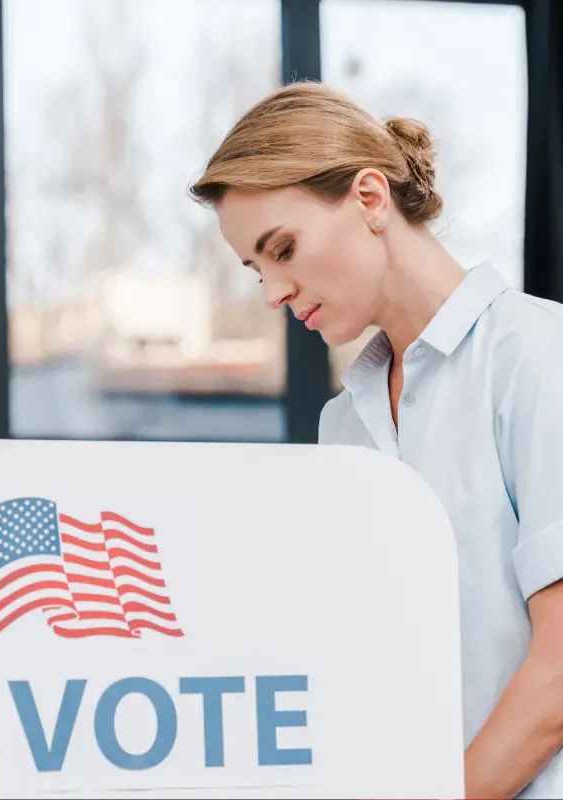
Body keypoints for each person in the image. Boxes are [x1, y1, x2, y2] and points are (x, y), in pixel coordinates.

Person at [189, 79, 563, 799]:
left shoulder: (537, 357)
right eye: (256, 268)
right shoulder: (346, 423)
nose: (273, 292)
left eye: (284, 249)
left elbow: (559, 673)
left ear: (369, 198)